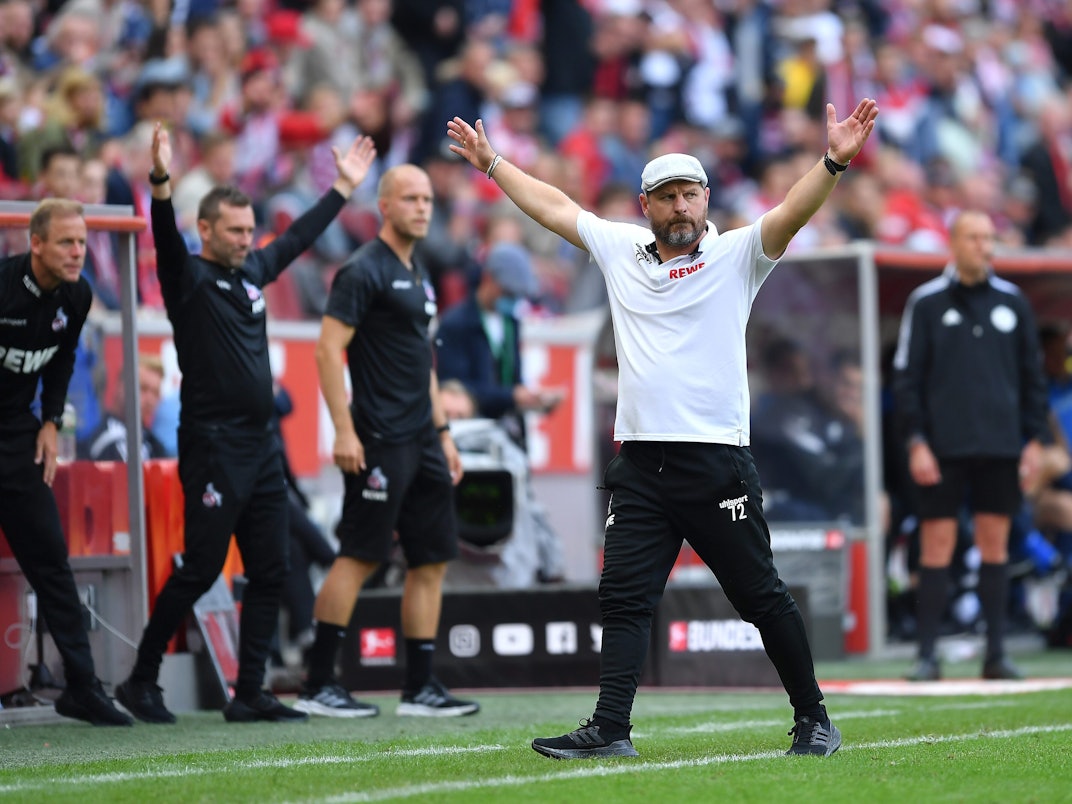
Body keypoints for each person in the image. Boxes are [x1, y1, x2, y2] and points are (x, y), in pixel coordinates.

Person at [445, 98, 879, 759]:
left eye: (690, 194)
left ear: (706, 199)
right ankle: (612, 728)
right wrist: (494, 164)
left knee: (759, 594)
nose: (680, 206)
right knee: (623, 596)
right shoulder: (621, 250)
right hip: (643, 464)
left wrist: (834, 161)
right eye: (667, 196)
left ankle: (814, 717)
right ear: (646, 205)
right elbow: (556, 208)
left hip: (717, 463)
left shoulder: (738, 256)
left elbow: (792, 210)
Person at [115, 123, 377, 724]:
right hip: (213, 446)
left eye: (248, 229)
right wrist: (160, 180)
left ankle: (249, 691)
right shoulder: (188, 281)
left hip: (261, 448)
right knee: (202, 567)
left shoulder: (252, 272)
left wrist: (340, 188)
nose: (244, 239)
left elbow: (300, 238)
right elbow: (162, 234)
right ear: (204, 230)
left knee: (272, 568)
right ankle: (140, 679)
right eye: (232, 231)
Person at [295, 164, 479, 719]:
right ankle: (318, 683)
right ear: (385, 207)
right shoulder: (361, 270)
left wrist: (443, 433)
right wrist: (345, 430)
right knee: (359, 555)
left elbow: (423, 360)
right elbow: (327, 352)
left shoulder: (417, 270)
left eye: (427, 198)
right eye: (411, 198)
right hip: (376, 436)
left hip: (422, 438)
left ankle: (420, 688)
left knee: (431, 561)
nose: (423, 207)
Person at [893, 210, 1049, 682]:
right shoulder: (926, 302)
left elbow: (1032, 379)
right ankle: (926, 657)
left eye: (990, 237)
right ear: (954, 244)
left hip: (1001, 446)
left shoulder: (1013, 302)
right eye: (975, 237)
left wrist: (1034, 440)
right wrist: (916, 441)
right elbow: (907, 379)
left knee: (995, 544)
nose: (986, 246)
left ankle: (995, 655)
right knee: (936, 546)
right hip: (943, 447)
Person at [0, 198, 132, 726]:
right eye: (65, 242)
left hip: (17, 437)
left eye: (81, 242)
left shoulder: (77, 296)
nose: (78, 252)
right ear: (36, 244)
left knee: (52, 560)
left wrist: (51, 420)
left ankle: (82, 686)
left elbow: (62, 359)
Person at [435, 240, 564, 447]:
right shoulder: (454, 324)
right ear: (488, 279)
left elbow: (513, 378)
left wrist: (534, 399)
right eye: (508, 292)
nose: (512, 300)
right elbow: (453, 388)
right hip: (469, 434)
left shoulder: (511, 322)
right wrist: (512, 396)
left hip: (508, 434)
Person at [76, 353, 167, 462]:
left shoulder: (153, 443)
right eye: (143, 388)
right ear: (121, 385)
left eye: (155, 393)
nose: (150, 400)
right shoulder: (107, 441)